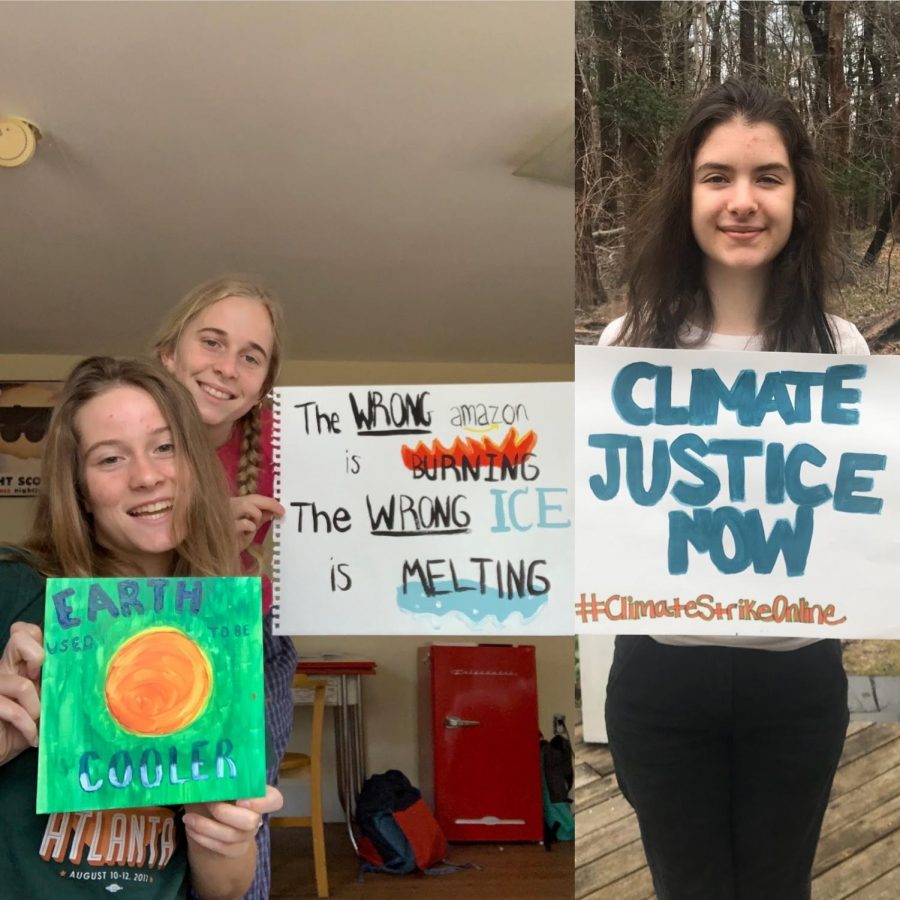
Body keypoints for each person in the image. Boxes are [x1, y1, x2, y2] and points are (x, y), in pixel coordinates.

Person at [600, 79, 868, 900]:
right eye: (717, 176)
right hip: (659, 681)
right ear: (687, 192)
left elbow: (861, 518)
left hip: (797, 681)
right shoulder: (627, 344)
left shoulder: (842, 351)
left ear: (799, 196)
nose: (742, 201)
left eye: (768, 177)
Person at [0, 356, 283, 899]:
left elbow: (223, 889)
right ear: (79, 487)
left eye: (165, 446)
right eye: (110, 458)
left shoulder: (220, 633)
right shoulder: (16, 589)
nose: (147, 476)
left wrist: (223, 838)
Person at [154, 277, 295, 899]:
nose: (226, 368)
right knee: (142, 817)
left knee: (236, 817)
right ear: (169, 354)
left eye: (250, 356)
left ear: (264, 381)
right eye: (212, 342)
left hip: (253, 647)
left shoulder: (291, 440)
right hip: (144, 638)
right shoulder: (129, 433)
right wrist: (206, 528)